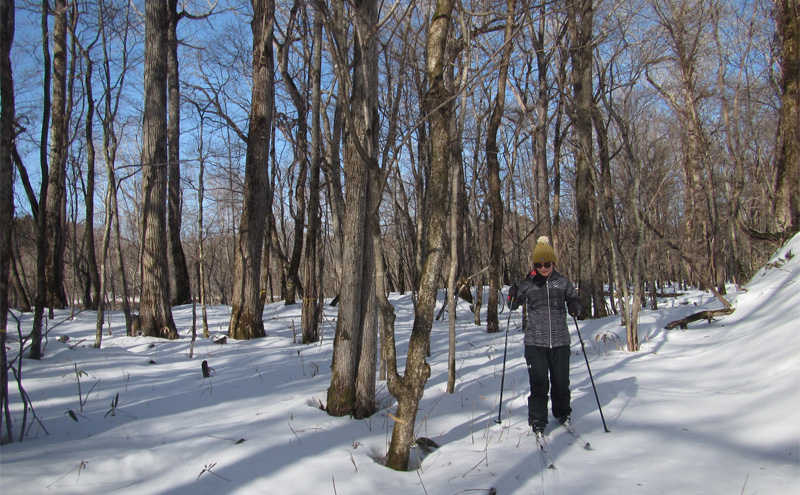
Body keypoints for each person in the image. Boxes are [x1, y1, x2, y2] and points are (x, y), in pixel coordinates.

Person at [507, 236, 581, 435]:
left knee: (561, 381)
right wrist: (512, 293)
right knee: (539, 383)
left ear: (553, 262)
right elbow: (513, 304)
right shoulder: (529, 284)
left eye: (547, 263)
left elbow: (574, 299)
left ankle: (562, 412)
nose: (544, 267)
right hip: (535, 342)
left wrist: (575, 307)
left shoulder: (562, 282)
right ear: (535, 265)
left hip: (560, 340)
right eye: (539, 265)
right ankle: (538, 418)